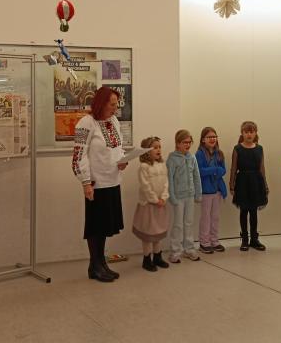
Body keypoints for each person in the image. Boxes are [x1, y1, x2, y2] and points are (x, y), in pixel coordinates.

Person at [71, 86, 128, 282]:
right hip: (96, 183)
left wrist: (122, 160)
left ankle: (100, 263)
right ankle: (95, 265)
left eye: (116, 104)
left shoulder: (113, 121)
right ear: (101, 103)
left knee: (105, 226)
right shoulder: (85, 123)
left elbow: (118, 147)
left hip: (112, 180)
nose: (115, 108)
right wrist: (85, 182)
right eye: (112, 104)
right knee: (95, 226)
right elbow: (79, 155)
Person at [133, 136, 170, 271]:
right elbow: (146, 186)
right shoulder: (144, 167)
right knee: (148, 235)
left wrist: (164, 198)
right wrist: (155, 199)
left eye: (159, 147)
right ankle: (147, 259)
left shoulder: (162, 165)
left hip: (160, 204)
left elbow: (166, 183)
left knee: (157, 233)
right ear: (146, 151)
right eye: (155, 147)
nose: (158, 149)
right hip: (148, 205)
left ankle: (157, 256)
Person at [230, 121, 268, 251]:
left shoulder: (259, 148)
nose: (249, 134)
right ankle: (245, 239)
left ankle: (254, 239)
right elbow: (234, 168)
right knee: (244, 210)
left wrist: (265, 184)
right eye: (246, 132)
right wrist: (232, 185)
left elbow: (262, 168)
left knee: (253, 211)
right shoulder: (237, 149)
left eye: (251, 132)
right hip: (242, 182)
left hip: (256, 182)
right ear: (242, 133)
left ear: (255, 133)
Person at [166, 129, 202, 263]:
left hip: (190, 196)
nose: (187, 145)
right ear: (177, 143)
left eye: (189, 142)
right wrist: (172, 197)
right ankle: (175, 251)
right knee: (178, 225)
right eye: (184, 142)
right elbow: (169, 179)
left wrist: (198, 193)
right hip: (178, 197)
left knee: (189, 223)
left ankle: (189, 249)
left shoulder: (192, 158)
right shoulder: (172, 159)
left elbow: (196, 176)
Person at [195, 127, 228, 254]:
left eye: (214, 136)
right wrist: (214, 170)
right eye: (209, 137)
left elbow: (223, 170)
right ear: (203, 139)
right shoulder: (199, 154)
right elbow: (199, 171)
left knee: (215, 217)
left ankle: (214, 240)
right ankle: (204, 242)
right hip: (206, 191)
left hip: (217, 190)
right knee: (206, 218)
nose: (212, 139)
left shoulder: (219, 153)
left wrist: (216, 170)